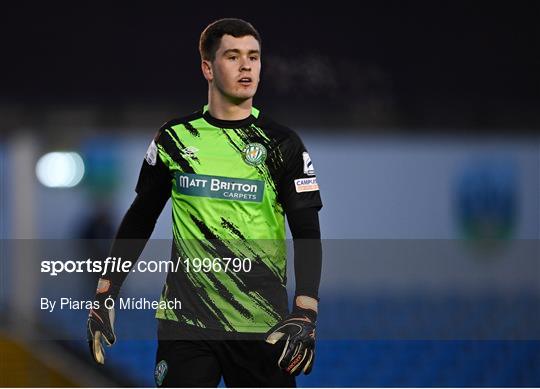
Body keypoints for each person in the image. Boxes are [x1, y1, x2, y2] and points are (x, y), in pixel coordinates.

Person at [86, 18, 323, 387]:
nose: (246, 66)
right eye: (233, 56)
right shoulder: (174, 139)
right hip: (186, 325)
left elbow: (307, 231)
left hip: (262, 325)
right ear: (207, 68)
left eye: (254, 57)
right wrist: (106, 291)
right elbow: (140, 218)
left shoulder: (284, 145)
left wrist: (306, 310)